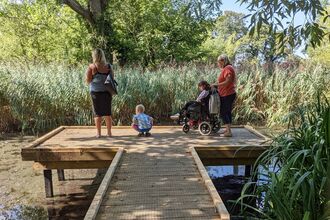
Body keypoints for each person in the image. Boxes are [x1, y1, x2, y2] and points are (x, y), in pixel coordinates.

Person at [86, 48, 114, 138]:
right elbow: (112, 78)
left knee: (97, 114)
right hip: (107, 92)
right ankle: (109, 133)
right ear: (103, 56)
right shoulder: (109, 66)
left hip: (95, 92)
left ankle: (98, 134)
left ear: (94, 56)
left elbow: (88, 80)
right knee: (107, 113)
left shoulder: (92, 67)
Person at [212, 54, 236, 137]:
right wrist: (217, 84)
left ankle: (228, 132)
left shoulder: (228, 68)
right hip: (227, 93)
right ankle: (227, 130)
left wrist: (216, 85)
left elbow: (228, 81)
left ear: (222, 61)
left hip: (227, 94)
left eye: (218, 62)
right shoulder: (228, 68)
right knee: (227, 112)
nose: (218, 64)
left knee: (224, 112)